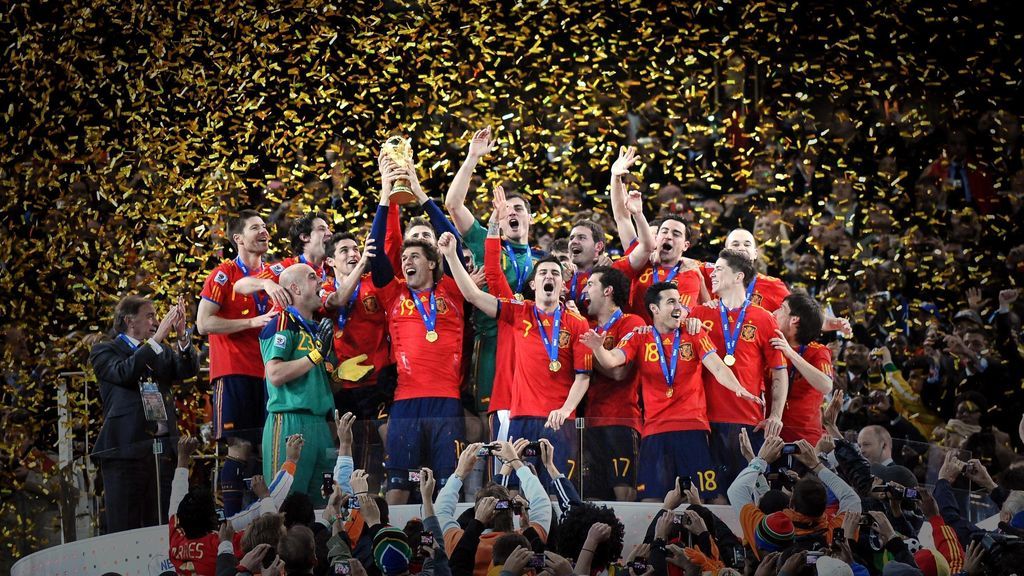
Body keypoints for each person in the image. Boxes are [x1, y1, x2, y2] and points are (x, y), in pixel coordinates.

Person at [440, 230, 592, 488]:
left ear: (563, 285)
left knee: (557, 489)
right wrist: (450, 256)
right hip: (520, 418)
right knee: (515, 494)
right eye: (543, 273)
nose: (549, 277)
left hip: (559, 421)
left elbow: (583, 376)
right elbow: (473, 296)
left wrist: (566, 409)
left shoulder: (578, 323)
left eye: (555, 273)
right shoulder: (519, 312)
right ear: (533, 285)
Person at [583, 282, 762, 501]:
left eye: (679, 300)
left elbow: (716, 366)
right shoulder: (639, 337)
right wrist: (597, 348)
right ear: (654, 309)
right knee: (650, 500)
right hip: (654, 431)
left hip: (692, 427)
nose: (679, 306)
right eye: (671, 301)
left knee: (712, 497)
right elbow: (612, 362)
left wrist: (739, 389)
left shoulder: (694, 333)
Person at [369, 161, 467, 505]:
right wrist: (386, 193)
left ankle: (446, 550)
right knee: (398, 486)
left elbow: (451, 238)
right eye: (404, 256)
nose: (406, 261)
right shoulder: (394, 294)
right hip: (406, 402)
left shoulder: (453, 291)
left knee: (447, 485)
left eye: (414, 256)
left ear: (431, 262)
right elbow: (375, 250)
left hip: (447, 402)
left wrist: (420, 192)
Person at [197, 209, 282, 515]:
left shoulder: (273, 275)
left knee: (268, 449)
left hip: (270, 374)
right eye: (255, 227)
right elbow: (203, 324)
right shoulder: (223, 274)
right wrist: (251, 323)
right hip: (234, 372)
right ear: (238, 239)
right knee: (240, 447)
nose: (264, 231)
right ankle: (230, 519)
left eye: (265, 226)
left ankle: (267, 514)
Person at [90, 294, 198, 533]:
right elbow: (125, 373)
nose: (157, 322)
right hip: (125, 453)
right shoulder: (105, 350)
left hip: (161, 453)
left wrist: (182, 335)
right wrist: (157, 340)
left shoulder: (161, 351)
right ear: (130, 321)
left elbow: (188, 370)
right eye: (150, 316)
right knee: (126, 526)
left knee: (161, 524)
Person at [689, 250, 789, 498]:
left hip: (748, 421)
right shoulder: (700, 314)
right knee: (712, 498)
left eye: (719, 269)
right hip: (705, 422)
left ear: (738, 276)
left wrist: (775, 415)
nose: (712, 273)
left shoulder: (764, 318)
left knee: (750, 495)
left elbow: (779, 371)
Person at [260, 263, 337, 504]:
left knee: (322, 503)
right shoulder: (283, 322)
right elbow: (274, 373)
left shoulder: (318, 329)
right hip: (288, 421)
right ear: (295, 287)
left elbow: (329, 383)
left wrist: (342, 374)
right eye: (313, 278)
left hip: (320, 424)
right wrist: (316, 355)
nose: (321, 283)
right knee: (284, 502)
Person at [169, 435, 301, 576]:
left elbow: (176, 499)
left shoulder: (176, 539)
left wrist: (182, 458)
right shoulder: (225, 543)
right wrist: (290, 462)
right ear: (214, 519)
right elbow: (270, 526)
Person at [321, 233, 391, 475]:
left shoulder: (373, 283)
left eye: (356, 249)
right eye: (345, 250)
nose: (353, 253)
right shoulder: (324, 287)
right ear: (330, 261)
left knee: (387, 443)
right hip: (343, 386)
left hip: (377, 382)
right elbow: (336, 301)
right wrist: (362, 263)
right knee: (346, 447)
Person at [576, 266, 645, 501]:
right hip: (590, 422)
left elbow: (619, 373)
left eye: (590, 285)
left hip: (621, 420)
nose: (584, 291)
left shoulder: (631, 322)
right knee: (592, 496)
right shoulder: (590, 328)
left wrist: (585, 352)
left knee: (623, 494)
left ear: (608, 291)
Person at [769, 291, 833, 444]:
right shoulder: (771, 344)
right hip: (770, 434)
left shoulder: (818, 351)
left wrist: (791, 354)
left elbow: (826, 385)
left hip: (804, 441)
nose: (774, 312)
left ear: (794, 319)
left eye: (781, 308)